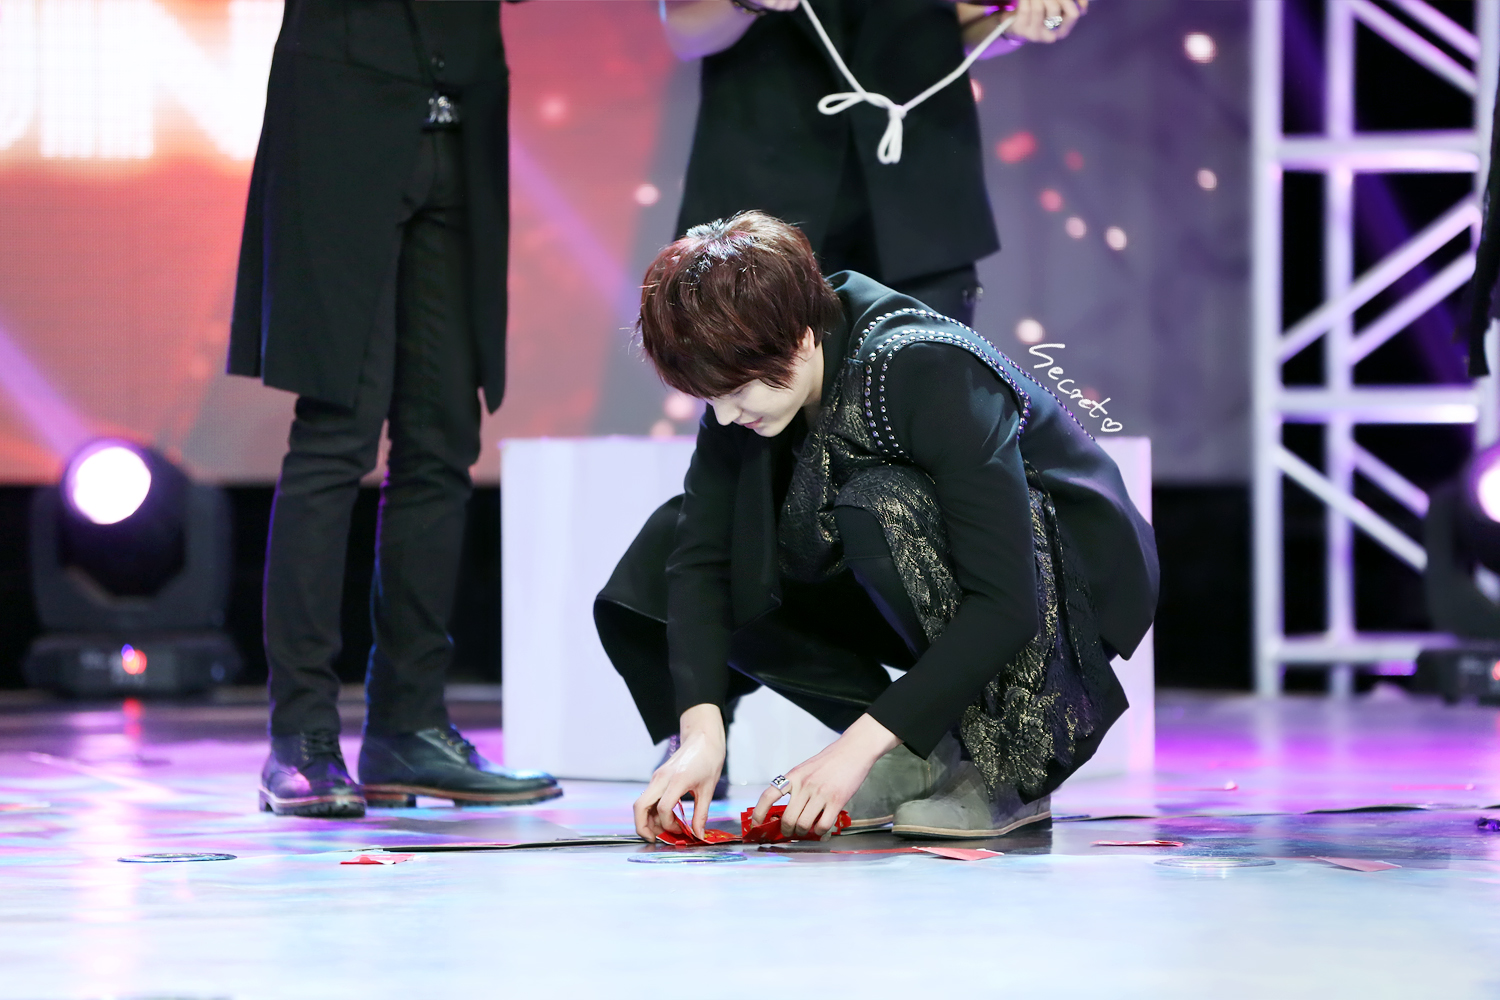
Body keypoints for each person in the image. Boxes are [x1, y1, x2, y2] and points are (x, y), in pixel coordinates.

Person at [595, 212, 1155, 841]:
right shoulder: (744, 389)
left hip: (1061, 587)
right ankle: (920, 746)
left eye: (737, 391)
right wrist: (701, 733)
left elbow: (1006, 602)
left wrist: (849, 751)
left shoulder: (922, 366)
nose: (724, 416)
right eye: (710, 397)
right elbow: (700, 559)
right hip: (923, 570)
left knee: (879, 502)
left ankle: (1002, 762)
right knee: (673, 539)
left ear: (801, 338)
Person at [229, 0, 558, 817]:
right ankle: (301, 735)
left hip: (464, 107)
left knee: (443, 439)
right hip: (342, 105)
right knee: (336, 432)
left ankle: (410, 727)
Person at [662, 0, 1088, 328]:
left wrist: (1015, 23)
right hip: (763, 198)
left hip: (921, 200)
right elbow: (683, 30)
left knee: (927, 403)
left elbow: (953, 22)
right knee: (756, 405)